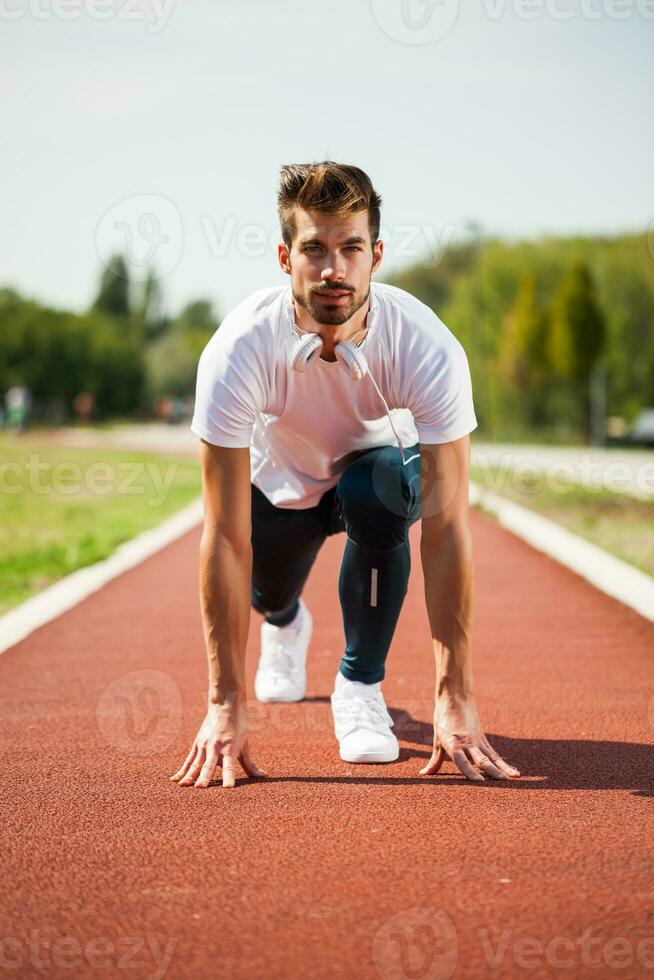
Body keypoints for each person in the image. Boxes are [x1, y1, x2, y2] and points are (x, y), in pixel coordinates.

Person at [171, 161, 520, 789]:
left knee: (378, 490)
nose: (333, 268)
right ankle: (286, 622)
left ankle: (360, 685)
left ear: (376, 254)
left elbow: (445, 532)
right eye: (315, 249)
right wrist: (223, 703)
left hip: (380, 471)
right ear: (285, 257)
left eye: (350, 247)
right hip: (285, 484)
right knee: (267, 592)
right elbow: (223, 536)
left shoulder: (426, 346)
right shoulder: (239, 349)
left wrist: (456, 695)